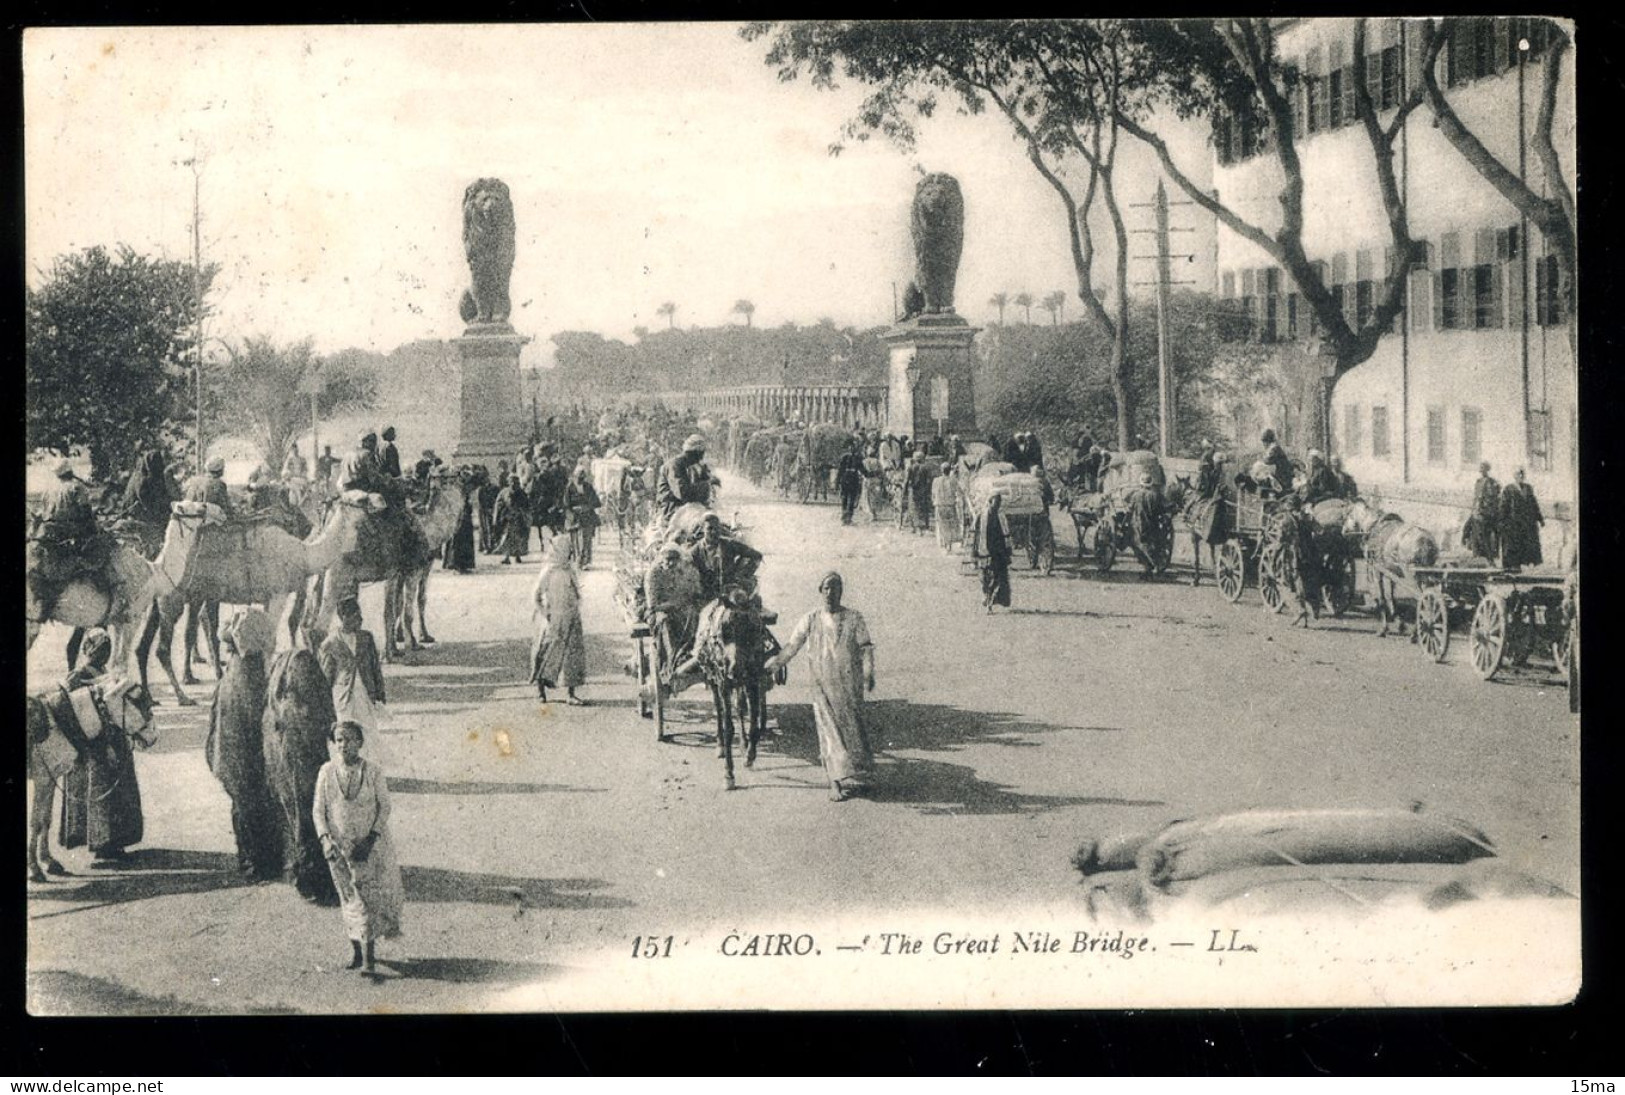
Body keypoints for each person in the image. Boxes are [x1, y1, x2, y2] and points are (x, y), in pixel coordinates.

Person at [764, 572, 876, 802]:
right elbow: (793, 645)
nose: (830, 592)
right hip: (822, 686)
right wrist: (774, 665)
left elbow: (866, 647)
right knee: (829, 733)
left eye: (835, 588)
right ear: (820, 591)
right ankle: (833, 782)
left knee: (852, 729)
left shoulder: (854, 618)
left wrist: (868, 672)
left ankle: (855, 773)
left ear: (841, 592)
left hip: (849, 686)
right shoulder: (811, 619)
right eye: (826, 587)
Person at [313, 719, 404, 973]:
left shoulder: (373, 772)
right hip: (338, 849)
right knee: (348, 897)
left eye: (350, 739)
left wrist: (371, 839)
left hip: (370, 846)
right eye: (339, 740)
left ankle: (369, 959)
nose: (344, 745)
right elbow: (318, 811)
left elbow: (384, 806)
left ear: (360, 743)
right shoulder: (327, 772)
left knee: (367, 897)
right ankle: (356, 952)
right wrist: (325, 840)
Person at [58, 628, 146, 864]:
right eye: (99, 649)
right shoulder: (77, 675)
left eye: (107, 650)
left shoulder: (105, 672)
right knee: (100, 791)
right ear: (87, 649)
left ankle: (115, 842)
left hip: (112, 739)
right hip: (93, 746)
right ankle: (103, 844)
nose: (103, 654)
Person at [530, 537, 587, 705]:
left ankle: (571, 693)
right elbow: (536, 596)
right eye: (567, 549)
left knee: (572, 655)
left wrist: (575, 607)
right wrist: (545, 613)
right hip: (552, 618)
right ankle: (541, 691)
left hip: (570, 616)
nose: (570, 553)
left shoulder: (569, 570)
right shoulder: (548, 571)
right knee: (547, 653)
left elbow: (577, 592)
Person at [645, 543, 705, 671]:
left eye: (674, 560)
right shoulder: (653, 574)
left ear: (679, 560)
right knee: (665, 622)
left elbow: (692, 593)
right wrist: (677, 604)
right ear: (661, 559)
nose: (670, 563)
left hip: (681, 609)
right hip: (659, 612)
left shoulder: (683, 572)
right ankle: (672, 660)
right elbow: (653, 605)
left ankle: (694, 653)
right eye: (667, 559)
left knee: (695, 616)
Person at [689, 513, 763, 601]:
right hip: (707, 593)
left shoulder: (729, 544)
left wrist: (742, 573)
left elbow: (757, 555)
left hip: (729, 591)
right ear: (702, 529)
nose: (714, 532)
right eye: (710, 528)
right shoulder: (695, 551)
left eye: (716, 528)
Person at [973, 493, 1013, 613]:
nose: (996, 506)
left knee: (996, 578)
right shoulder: (981, 516)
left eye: (998, 504)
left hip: (998, 552)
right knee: (984, 578)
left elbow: (1006, 534)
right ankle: (987, 596)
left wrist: (1007, 551)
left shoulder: (1001, 517)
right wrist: (974, 552)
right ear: (989, 502)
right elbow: (976, 534)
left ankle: (991, 601)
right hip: (984, 550)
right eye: (995, 503)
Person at [1499, 468, 1545, 570]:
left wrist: (1540, 519)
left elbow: (1534, 504)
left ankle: (1521, 564)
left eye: (1522, 475)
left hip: (1526, 522)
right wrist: (1502, 521)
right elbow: (1503, 506)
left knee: (1525, 544)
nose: (1520, 477)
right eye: (1518, 475)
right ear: (1514, 476)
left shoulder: (1528, 488)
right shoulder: (1508, 489)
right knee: (1512, 545)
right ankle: (1512, 566)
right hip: (1513, 523)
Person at [563, 463, 602, 567]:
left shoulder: (588, 487)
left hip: (587, 517)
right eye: (578, 476)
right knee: (575, 541)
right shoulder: (569, 488)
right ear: (574, 476)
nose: (580, 479)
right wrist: (572, 512)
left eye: (582, 477)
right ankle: (577, 561)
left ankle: (586, 561)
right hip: (574, 519)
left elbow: (597, 502)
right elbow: (566, 504)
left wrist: (587, 507)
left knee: (586, 540)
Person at [1466, 462, 1501, 561]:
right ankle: (1476, 553)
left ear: (1487, 470)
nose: (1482, 471)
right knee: (1470, 530)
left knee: (1491, 534)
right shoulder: (1478, 481)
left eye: (1484, 469)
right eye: (1481, 469)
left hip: (1488, 512)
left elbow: (1493, 496)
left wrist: (1487, 506)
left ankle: (1491, 556)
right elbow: (1476, 497)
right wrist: (1474, 509)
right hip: (1478, 511)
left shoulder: (1492, 482)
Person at [492, 474, 530, 564]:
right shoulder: (504, 492)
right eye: (511, 482)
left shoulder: (521, 493)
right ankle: (507, 557)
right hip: (507, 518)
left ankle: (517, 556)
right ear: (508, 482)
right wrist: (499, 514)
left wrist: (521, 513)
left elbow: (526, 506)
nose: (513, 484)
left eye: (515, 482)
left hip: (518, 519)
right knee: (507, 538)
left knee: (518, 538)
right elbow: (498, 503)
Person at [442, 478, 477, 574]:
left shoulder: (465, 497)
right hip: (458, 521)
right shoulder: (455, 496)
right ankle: (456, 566)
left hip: (465, 522)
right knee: (457, 543)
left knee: (464, 543)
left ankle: (464, 565)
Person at [900, 448, 935, 534]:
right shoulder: (926, 468)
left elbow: (907, 480)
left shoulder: (911, 467)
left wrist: (904, 491)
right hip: (923, 490)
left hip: (913, 489)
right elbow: (929, 480)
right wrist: (929, 489)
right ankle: (926, 524)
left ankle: (915, 526)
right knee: (925, 507)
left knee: (913, 508)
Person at [835, 441, 868, 525]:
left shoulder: (847, 457)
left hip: (848, 479)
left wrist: (837, 482)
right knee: (849, 499)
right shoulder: (854, 458)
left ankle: (845, 518)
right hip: (851, 479)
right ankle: (847, 518)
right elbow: (863, 470)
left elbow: (840, 471)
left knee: (846, 499)